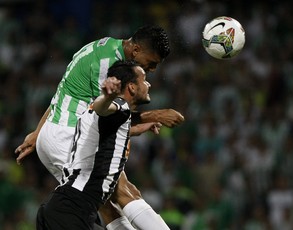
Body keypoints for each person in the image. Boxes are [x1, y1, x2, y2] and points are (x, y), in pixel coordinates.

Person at [15, 25, 184, 229]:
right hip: (67, 135)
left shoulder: (103, 46)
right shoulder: (109, 67)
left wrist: (38, 133)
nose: (153, 70)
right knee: (124, 191)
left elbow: (64, 91)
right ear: (136, 50)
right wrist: (157, 114)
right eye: (151, 63)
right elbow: (104, 112)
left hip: (55, 133)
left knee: (101, 201)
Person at [36, 60, 169, 230]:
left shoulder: (96, 114)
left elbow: (101, 133)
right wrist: (107, 97)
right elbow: (103, 108)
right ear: (132, 87)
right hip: (72, 210)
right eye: (143, 80)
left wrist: (135, 129)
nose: (148, 83)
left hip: (65, 207)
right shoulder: (118, 106)